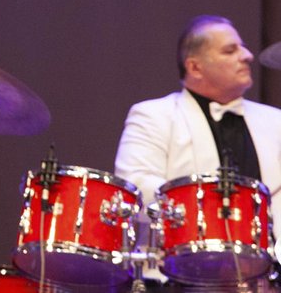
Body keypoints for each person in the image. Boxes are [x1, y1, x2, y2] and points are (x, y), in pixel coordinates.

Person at [114, 15, 281, 288]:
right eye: (230, 50)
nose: (247, 56)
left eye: (242, 48)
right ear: (195, 67)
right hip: (179, 276)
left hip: (267, 278)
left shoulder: (276, 121)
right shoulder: (154, 115)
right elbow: (135, 186)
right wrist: (206, 213)